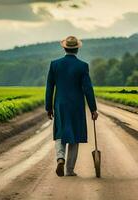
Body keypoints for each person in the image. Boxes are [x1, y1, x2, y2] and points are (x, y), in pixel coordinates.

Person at [45, 36, 98, 177]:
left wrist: (48, 107)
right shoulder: (82, 66)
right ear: (77, 49)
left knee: (60, 133)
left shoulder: (54, 65)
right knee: (74, 136)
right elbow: (88, 89)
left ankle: (60, 158)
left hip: (60, 104)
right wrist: (93, 109)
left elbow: (49, 88)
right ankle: (69, 169)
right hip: (76, 106)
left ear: (64, 48)